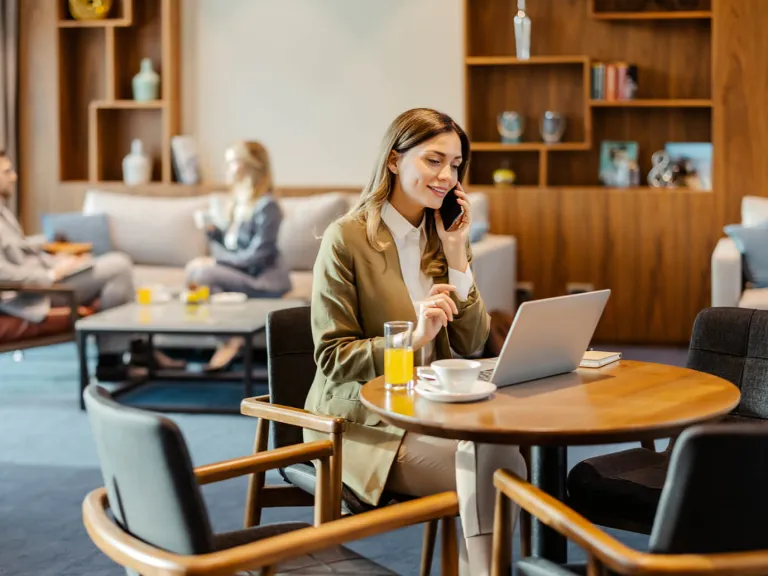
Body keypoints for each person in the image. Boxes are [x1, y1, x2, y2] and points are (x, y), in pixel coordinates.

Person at [304, 108, 527, 575]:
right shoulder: (346, 240)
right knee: (497, 472)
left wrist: (456, 255)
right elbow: (331, 358)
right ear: (393, 160)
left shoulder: (440, 235)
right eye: (433, 160)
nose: (447, 176)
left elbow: (472, 342)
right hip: (365, 421)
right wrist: (412, 338)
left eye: (455, 164)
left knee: (506, 459)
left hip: (434, 408)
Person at [0, 150, 177, 379]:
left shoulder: (4, 212)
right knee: (119, 266)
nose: (14, 176)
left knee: (117, 275)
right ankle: (128, 352)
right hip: (33, 293)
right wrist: (51, 275)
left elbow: (26, 253)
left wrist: (63, 262)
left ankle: (119, 357)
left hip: (46, 281)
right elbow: (3, 272)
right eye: (7, 172)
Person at [187, 140, 291, 371]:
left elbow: (257, 257)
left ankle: (230, 341)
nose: (227, 167)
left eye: (232, 162)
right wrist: (216, 235)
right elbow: (236, 248)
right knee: (195, 272)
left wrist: (215, 261)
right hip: (246, 272)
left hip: (264, 280)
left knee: (203, 273)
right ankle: (229, 336)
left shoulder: (268, 206)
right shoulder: (241, 203)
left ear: (250, 165)